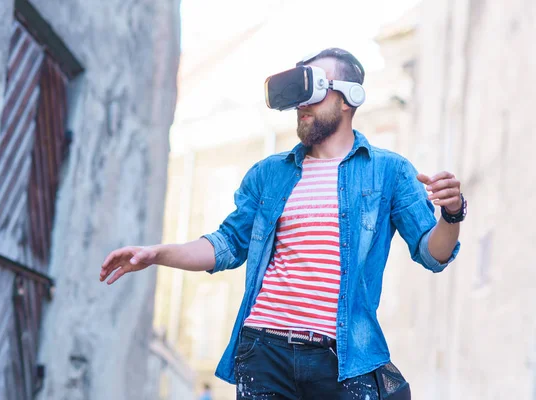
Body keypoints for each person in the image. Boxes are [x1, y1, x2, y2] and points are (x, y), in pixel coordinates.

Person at [99, 48, 464, 400]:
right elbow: (226, 244)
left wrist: (451, 214)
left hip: (342, 359)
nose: (302, 105)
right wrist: (158, 253)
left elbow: (433, 254)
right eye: (297, 95)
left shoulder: (389, 171)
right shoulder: (269, 174)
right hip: (263, 350)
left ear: (348, 98)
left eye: (315, 91)